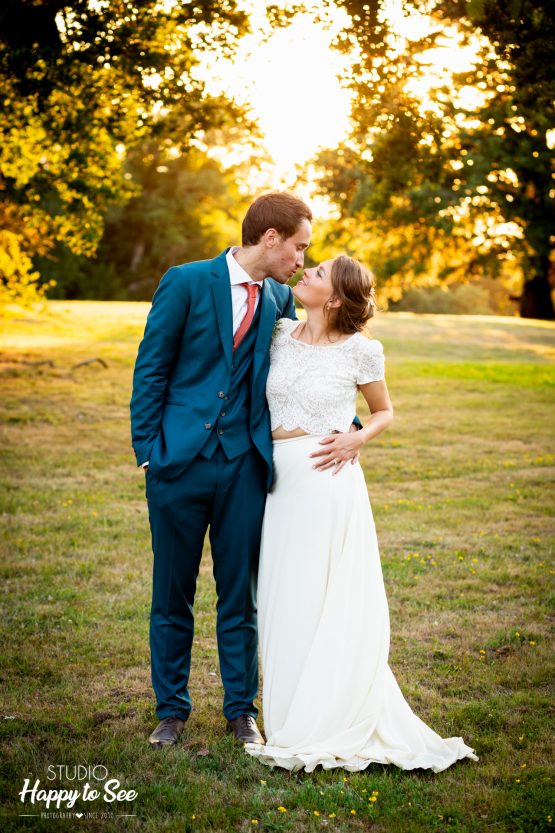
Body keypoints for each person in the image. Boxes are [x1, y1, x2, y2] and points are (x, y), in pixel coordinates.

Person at [130, 193, 358, 748]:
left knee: (240, 595)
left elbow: (305, 366)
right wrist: (147, 449)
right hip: (177, 464)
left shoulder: (281, 299)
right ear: (271, 238)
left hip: (244, 470)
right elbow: (152, 367)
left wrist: (349, 425)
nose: (303, 260)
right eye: (299, 247)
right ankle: (171, 711)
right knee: (171, 594)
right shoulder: (185, 282)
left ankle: (241, 710)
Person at [245, 255, 479, 773]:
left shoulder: (362, 351)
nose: (305, 272)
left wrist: (358, 437)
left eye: (318, 273)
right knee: (285, 595)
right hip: (279, 482)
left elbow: (385, 411)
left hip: (330, 483)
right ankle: (289, 716)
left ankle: (329, 713)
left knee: (328, 593)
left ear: (333, 298)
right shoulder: (280, 333)